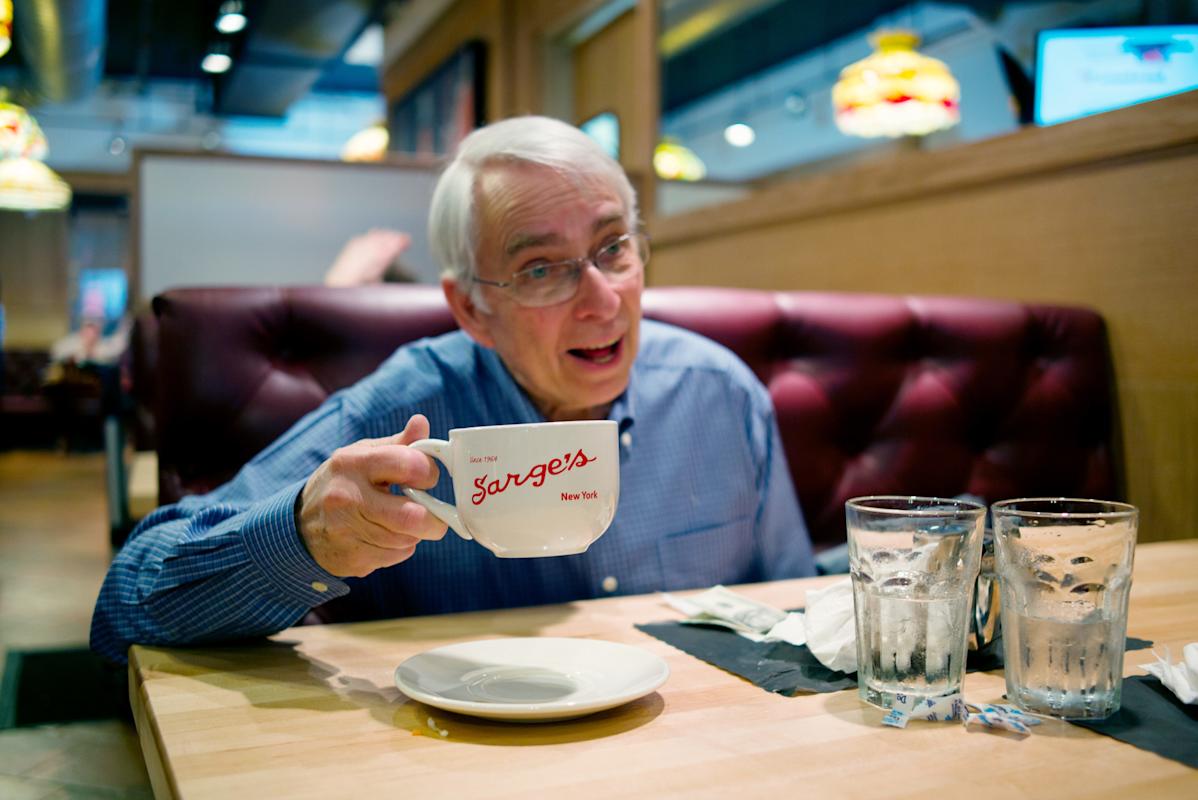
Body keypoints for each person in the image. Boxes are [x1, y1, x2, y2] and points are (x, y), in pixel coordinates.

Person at [90, 116, 816, 663]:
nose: (602, 301)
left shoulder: (720, 396)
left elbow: (794, 610)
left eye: (613, 248)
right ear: (471, 308)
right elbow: (127, 605)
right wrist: (307, 538)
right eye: (541, 269)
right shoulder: (401, 414)